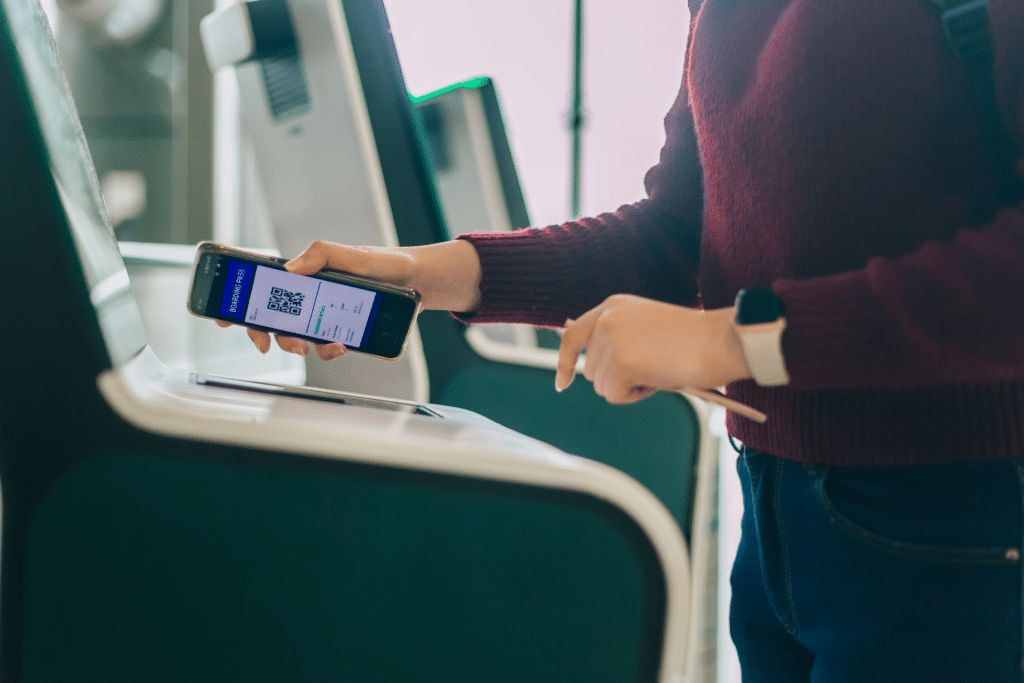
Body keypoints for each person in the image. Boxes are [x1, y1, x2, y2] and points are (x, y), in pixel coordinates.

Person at [228, 1, 1024, 680]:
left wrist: (731, 343)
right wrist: (418, 273)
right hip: (780, 508)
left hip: (953, 522)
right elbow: (680, 233)